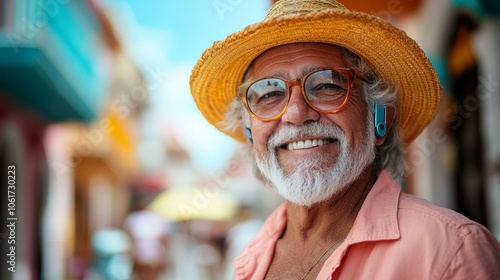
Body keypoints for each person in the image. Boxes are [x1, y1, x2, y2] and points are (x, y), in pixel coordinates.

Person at [189, 0, 500, 279]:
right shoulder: (250, 258)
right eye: (269, 94)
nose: (296, 113)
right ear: (249, 132)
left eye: (327, 85)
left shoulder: (450, 251)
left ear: (380, 118)